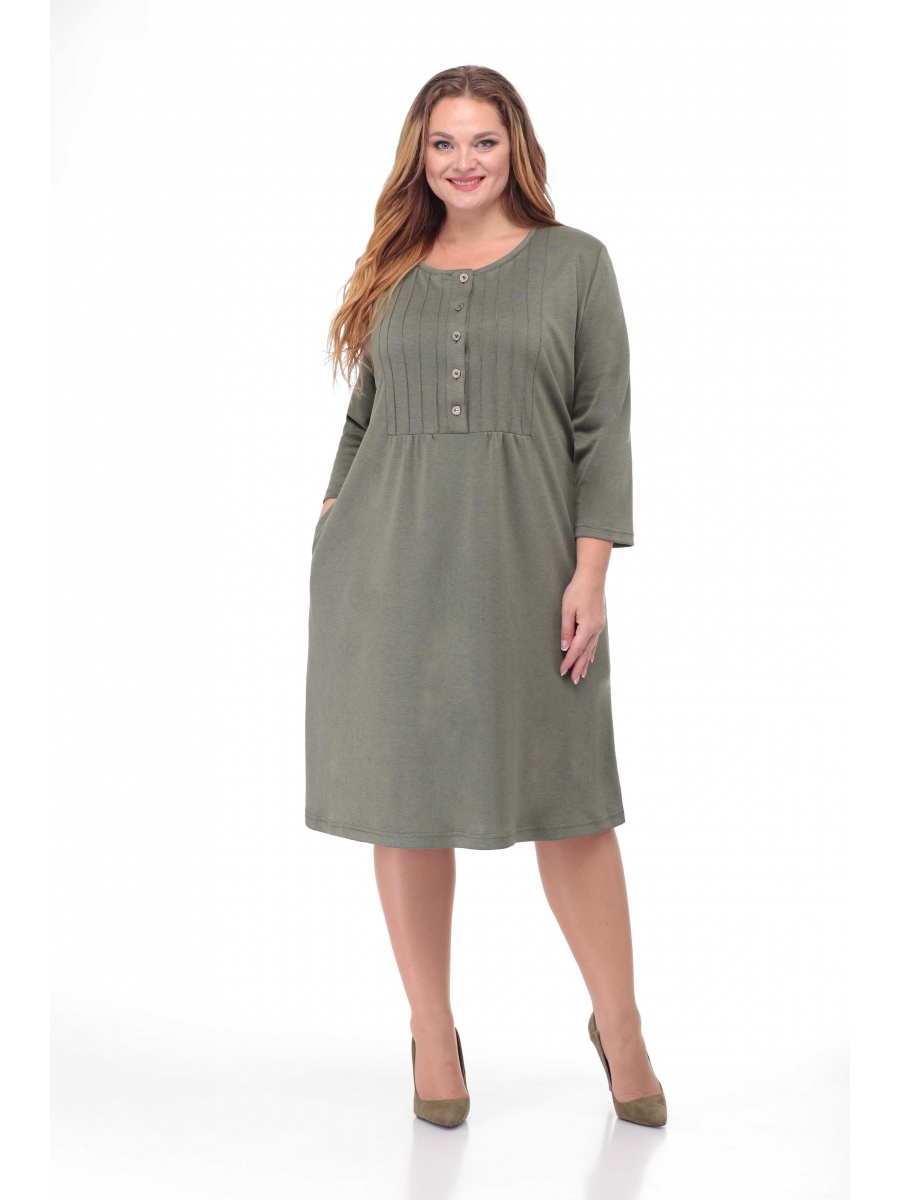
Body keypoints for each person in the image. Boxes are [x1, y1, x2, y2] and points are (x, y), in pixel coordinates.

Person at [305, 65, 665, 1129]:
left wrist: (592, 569)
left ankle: (621, 1026)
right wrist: (334, 511)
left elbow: (603, 424)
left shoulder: (576, 263)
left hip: (529, 566)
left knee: (569, 798)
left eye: (483, 141)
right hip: (386, 571)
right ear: (418, 155)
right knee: (404, 803)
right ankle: (431, 1030)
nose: (463, 162)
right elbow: (366, 412)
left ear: (518, 149)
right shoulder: (393, 266)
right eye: (443, 143)